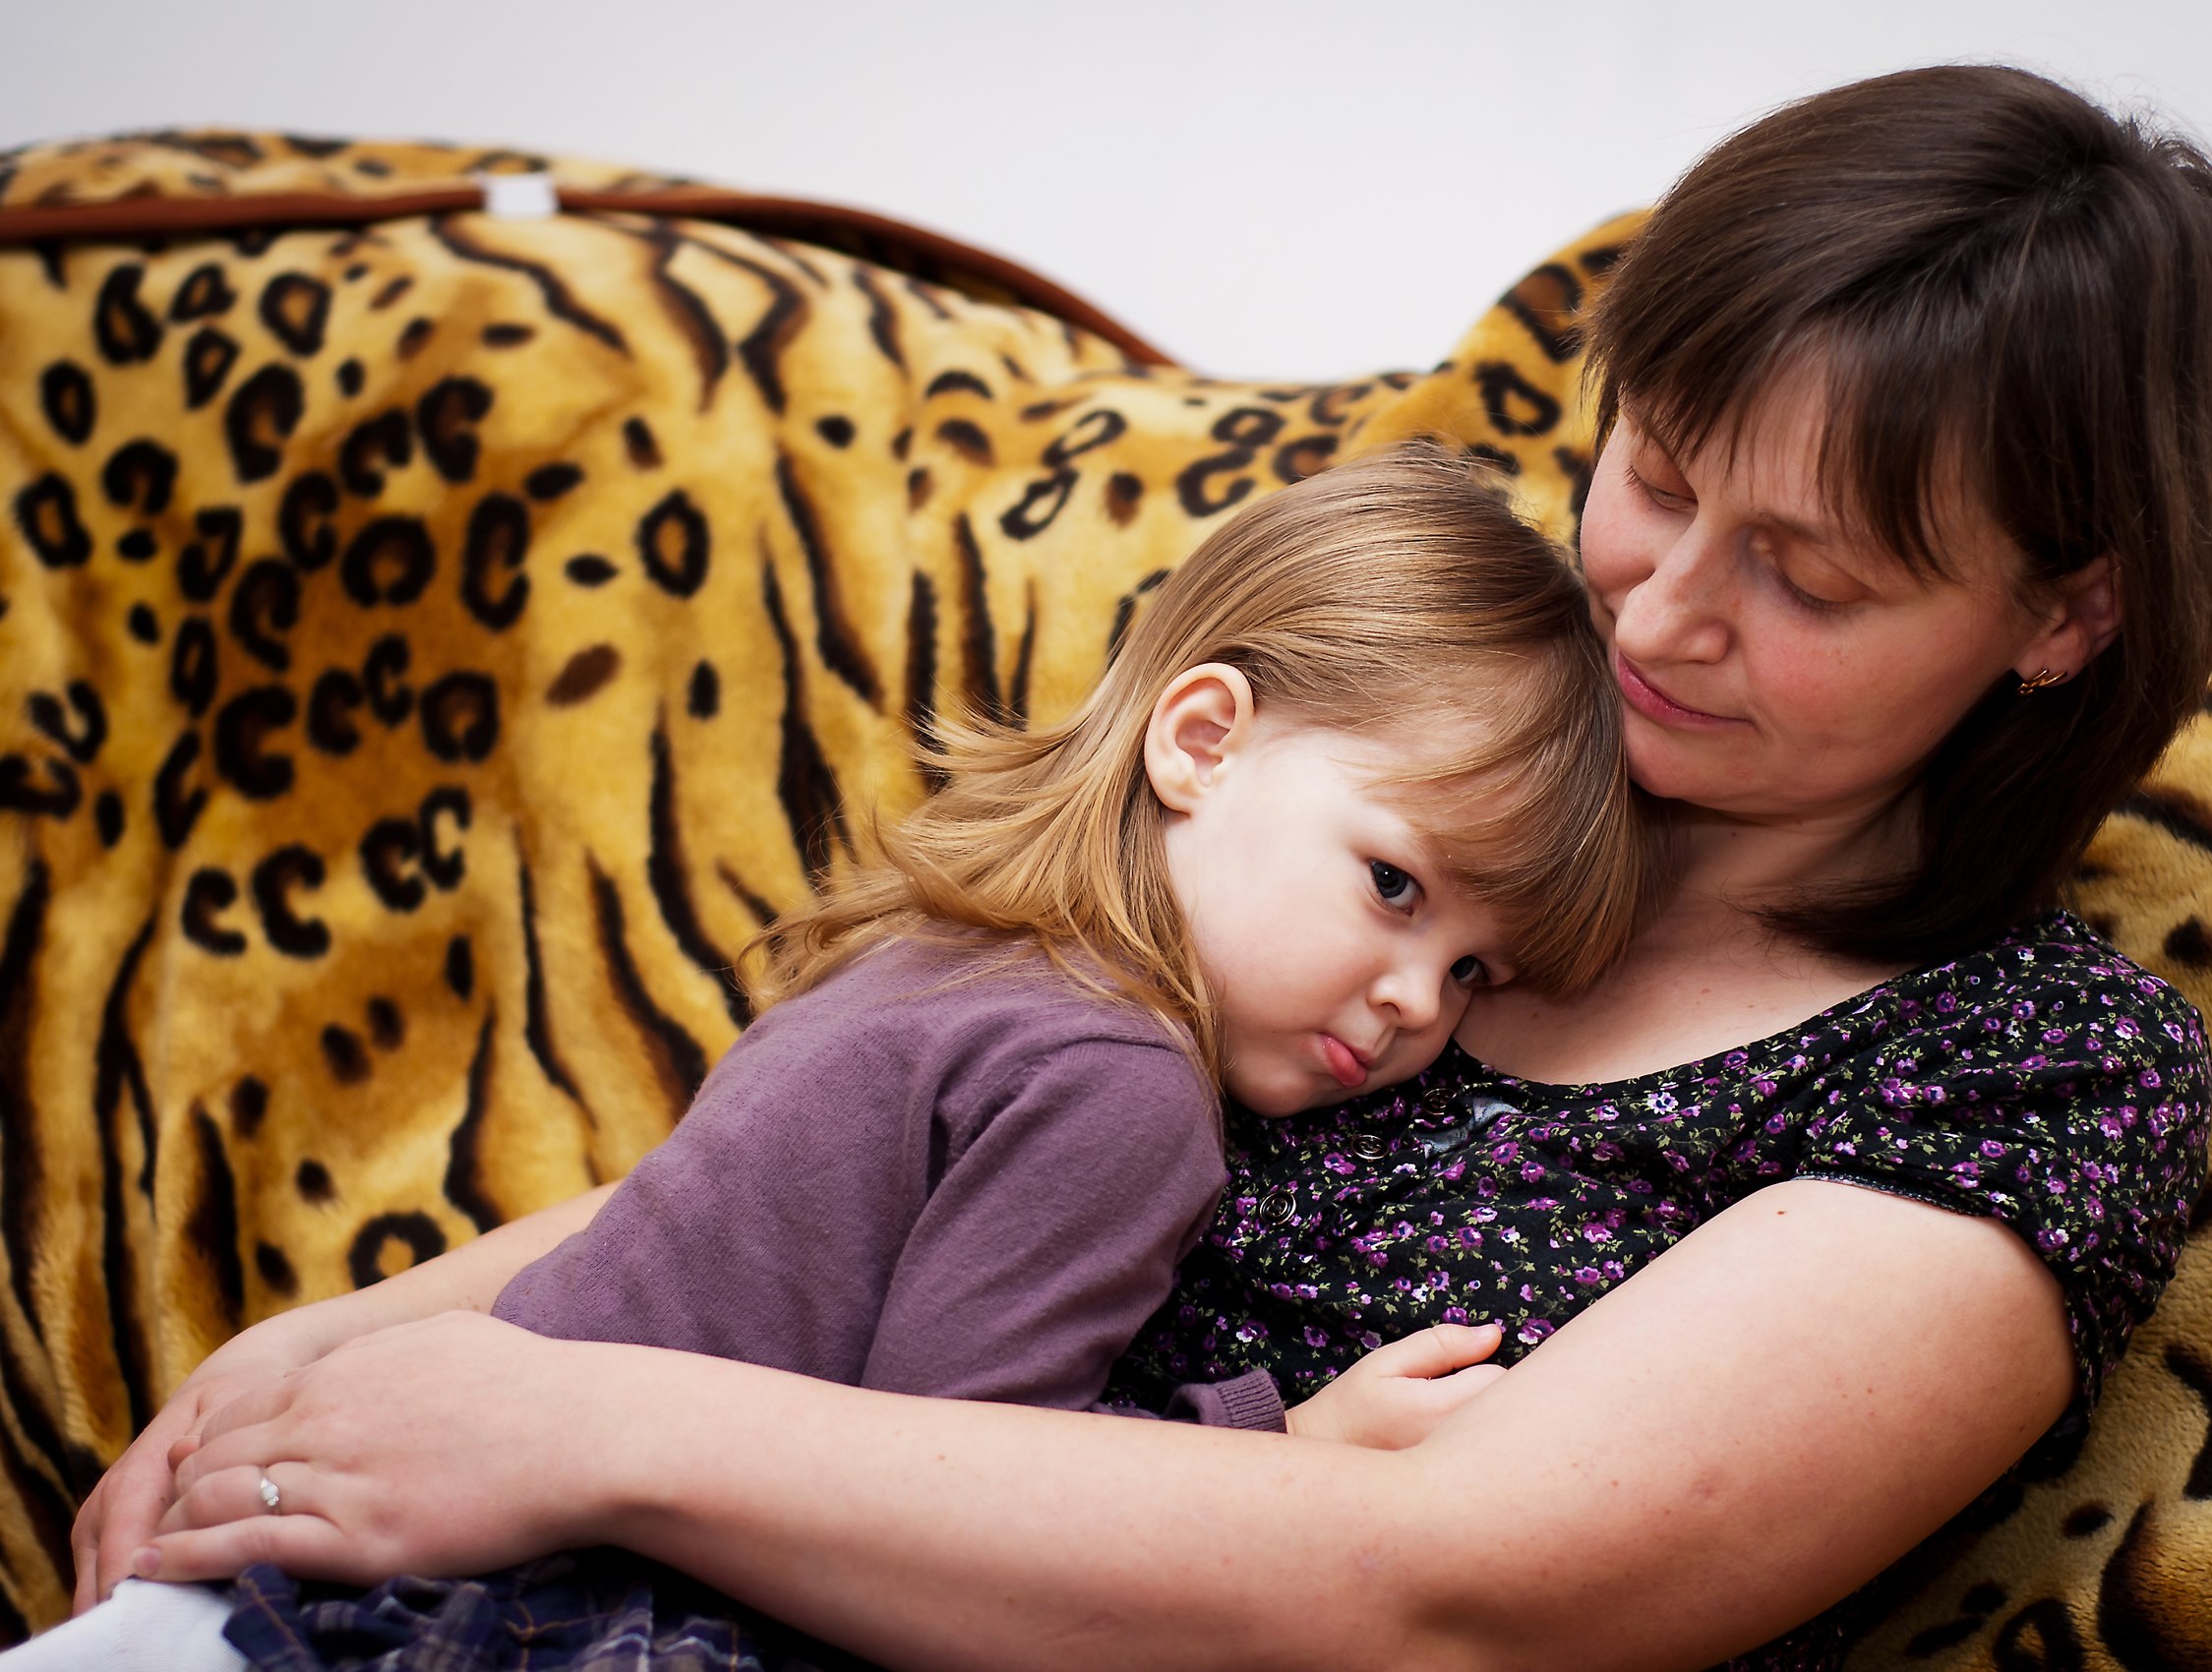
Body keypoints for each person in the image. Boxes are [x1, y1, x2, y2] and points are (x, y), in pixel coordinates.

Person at [65, 62, 2212, 1672]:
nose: (1662, 614)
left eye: (1811, 575)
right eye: (1661, 477)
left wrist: (577, 1431)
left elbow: (1465, 1595)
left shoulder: (2023, 1069)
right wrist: (321, 1369)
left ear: (2061, 615)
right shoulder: (1416, 750)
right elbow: (850, 1132)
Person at [12, 448, 1645, 1668]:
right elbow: (958, 1490)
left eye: (1474, 969)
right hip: (510, 1610)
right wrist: (1283, 1446)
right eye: (1395, 887)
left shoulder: (945, 954)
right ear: (1201, 740)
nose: (1417, 1002)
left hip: (307, 1566)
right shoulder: (1125, 1087)